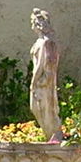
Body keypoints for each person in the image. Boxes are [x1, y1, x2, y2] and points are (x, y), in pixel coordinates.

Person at [29, 9, 64, 142]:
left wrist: (34, 81)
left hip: (43, 81)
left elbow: (41, 65)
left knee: (45, 109)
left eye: (33, 22)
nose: (31, 25)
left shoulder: (46, 43)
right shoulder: (40, 42)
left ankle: (53, 136)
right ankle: (49, 136)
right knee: (36, 108)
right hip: (40, 81)